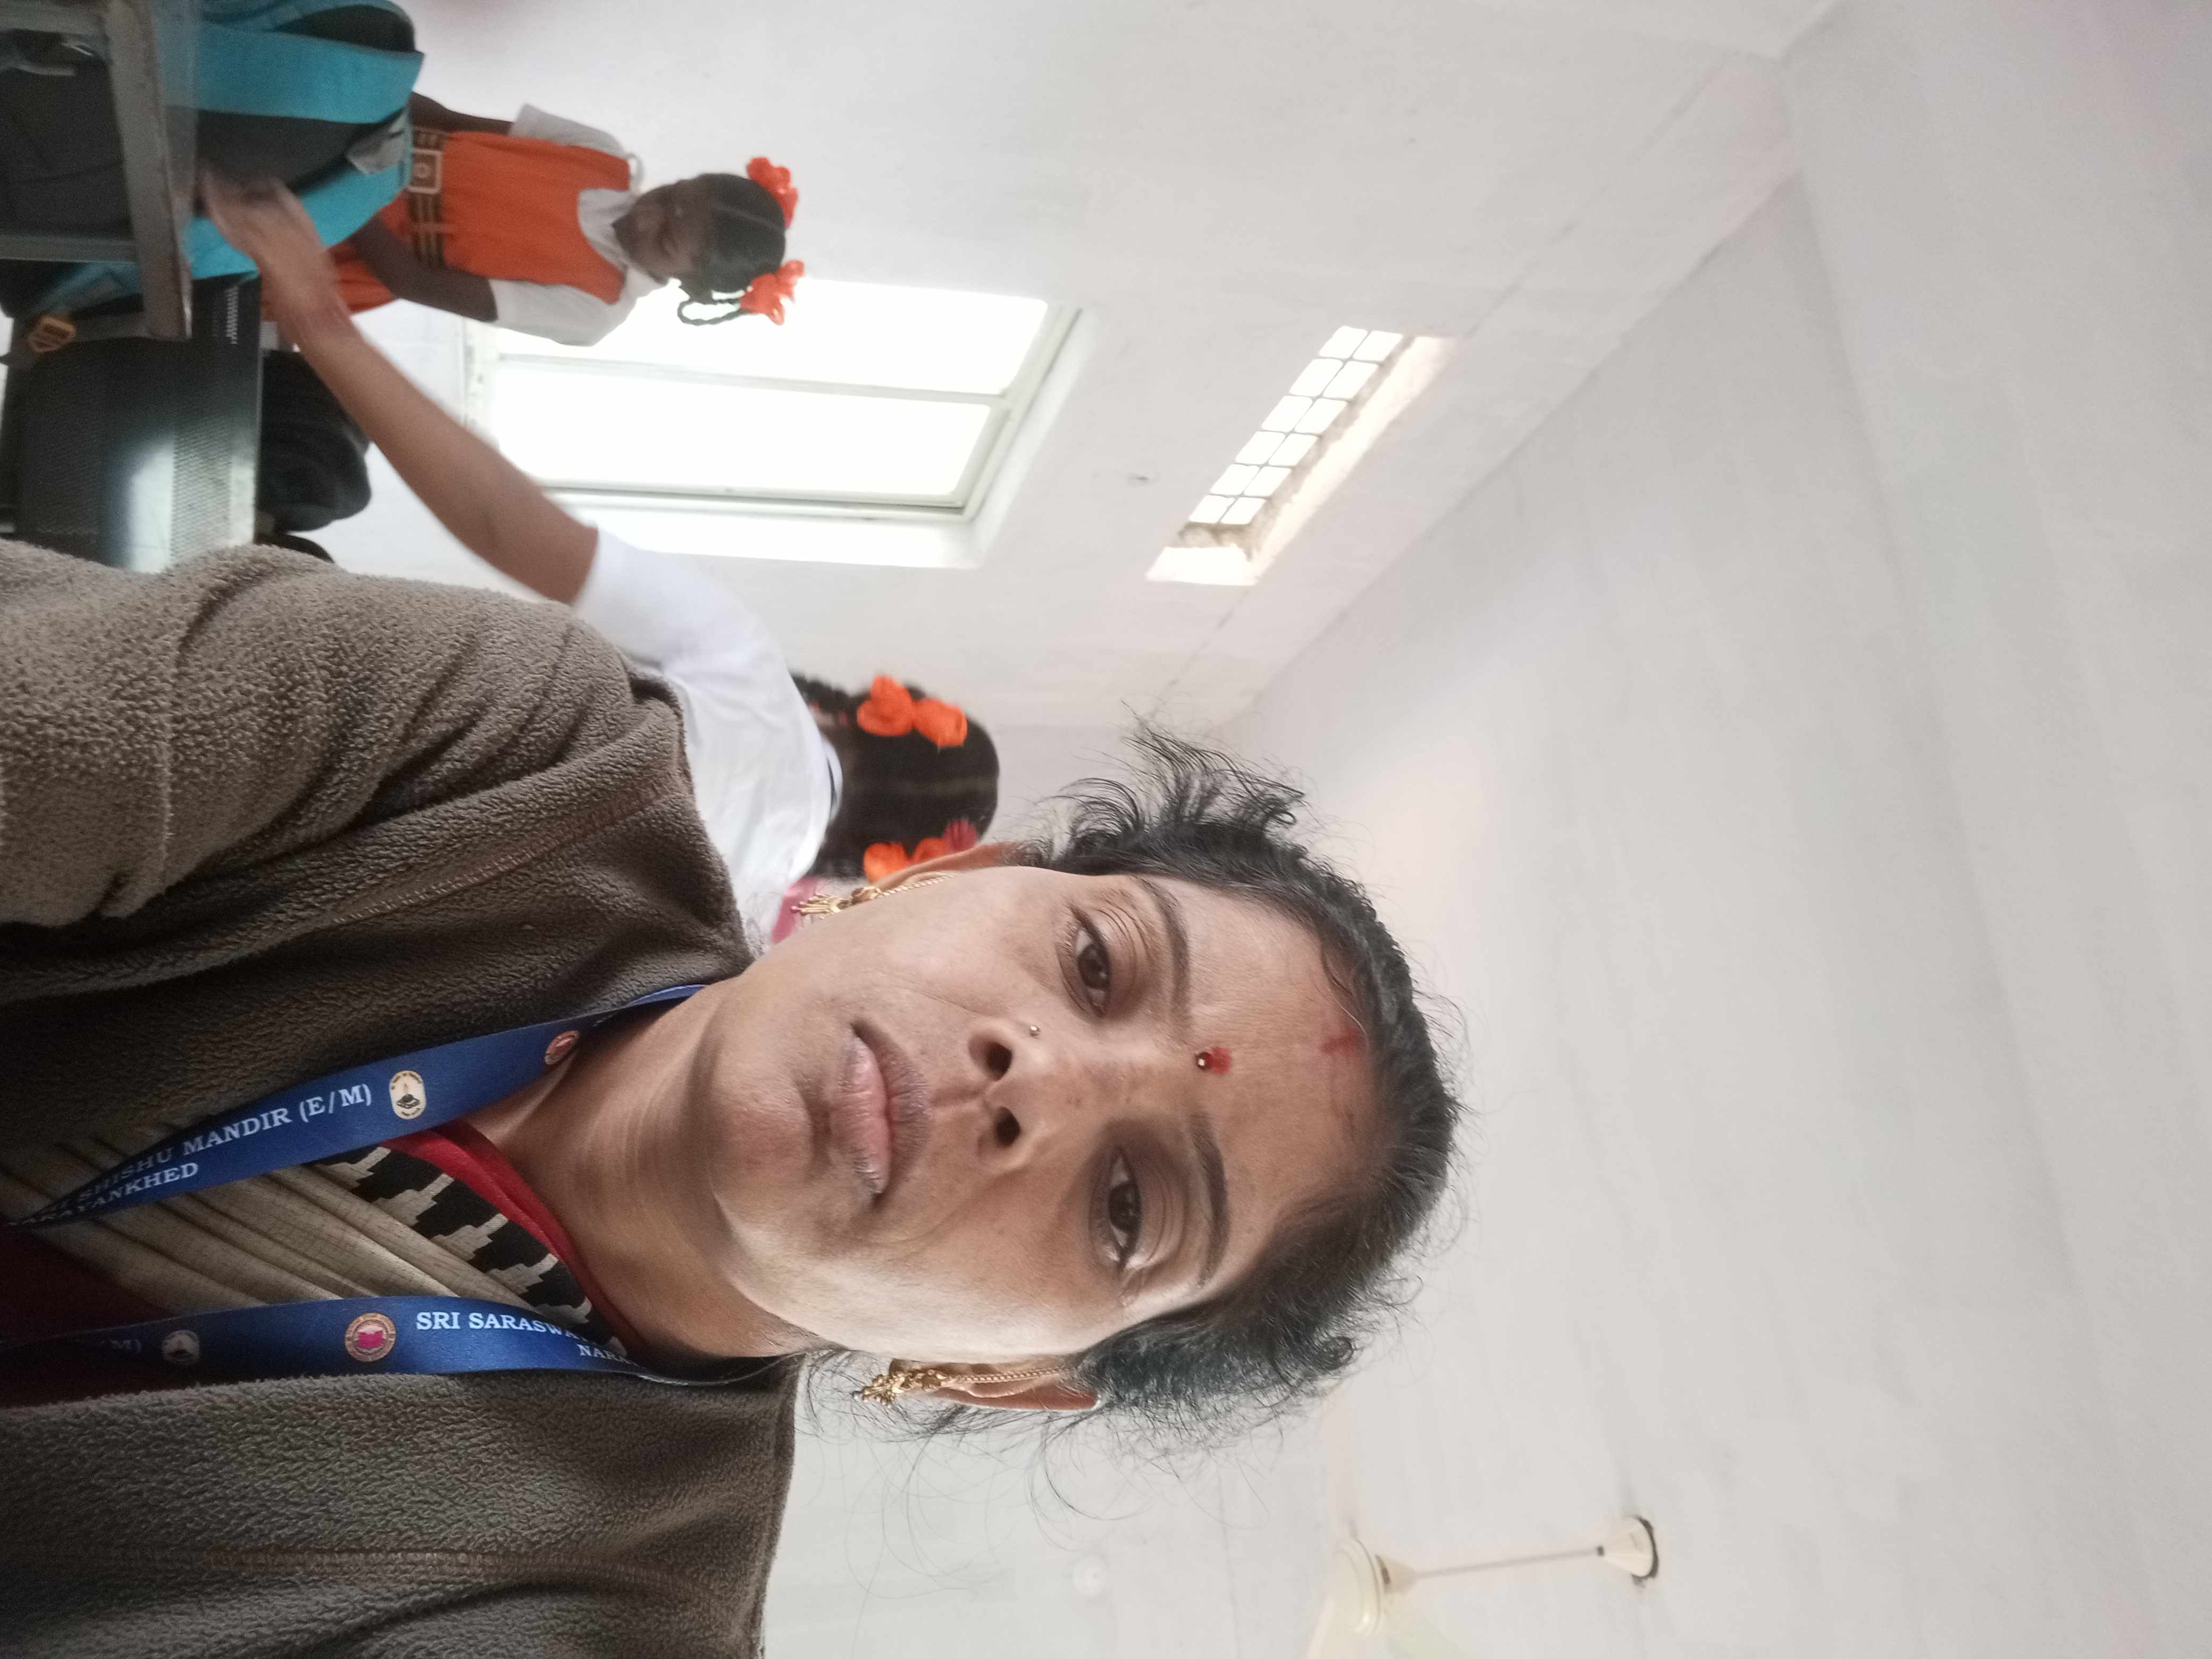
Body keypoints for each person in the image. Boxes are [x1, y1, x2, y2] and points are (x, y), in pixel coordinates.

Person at [0, 177, 1459, 1659]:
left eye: (1131, 1205)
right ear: (952, 872)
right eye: (1095, 963)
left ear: (1007, 1373)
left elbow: (510, 519)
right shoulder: (514, 755)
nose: (1044, 1081)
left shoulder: (619, 1617)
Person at [213, 172, 989, 928]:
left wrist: (320, 317)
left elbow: (503, 521)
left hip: (302, 731)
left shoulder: (747, 674)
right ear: (874, 860)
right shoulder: (731, 931)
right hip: (275, 894)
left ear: (863, 715)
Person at [334, 92, 803, 346]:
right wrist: (355, 98)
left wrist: (343, 187)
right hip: (351, 144)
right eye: (669, 195)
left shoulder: (594, 310)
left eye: (665, 238)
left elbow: (412, 282)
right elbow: (447, 120)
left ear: (694, 286)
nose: (647, 215)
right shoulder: (599, 153)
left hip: (340, 238)